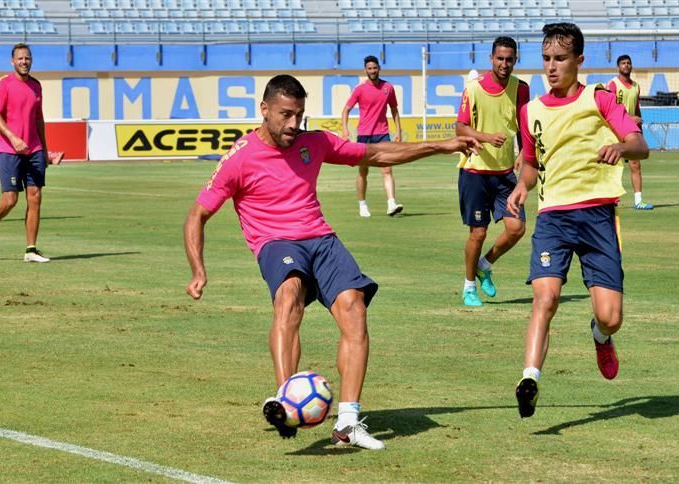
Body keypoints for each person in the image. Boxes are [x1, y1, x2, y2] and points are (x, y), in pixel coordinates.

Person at [183, 75, 479, 449]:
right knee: (289, 294)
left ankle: (348, 423)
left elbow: (377, 154)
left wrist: (444, 145)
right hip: (276, 242)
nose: (294, 124)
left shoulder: (315, 143)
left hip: (320, 238)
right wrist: (198, 269)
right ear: (264, 110)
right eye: (285, 115)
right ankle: (286, 401)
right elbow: (196, 215)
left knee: (354, 307)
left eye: (300, 115)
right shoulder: (239, 157)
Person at [506, 23, 649, 418]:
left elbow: (641, 145)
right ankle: (529, 378)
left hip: (598, 217)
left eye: (561, 59)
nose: (551, 67)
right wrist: (522, 187)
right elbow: (532, 164)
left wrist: (620, 146)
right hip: (553, 218)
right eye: (547, 59)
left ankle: (600, 335)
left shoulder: (599, 100)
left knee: (611, 316)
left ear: (579, 61)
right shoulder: (530, 110)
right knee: (545, 298)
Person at [455, 36, 530, 307]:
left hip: (505, 174)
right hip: (475, 172)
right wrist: (486, 137)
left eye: (510, 59)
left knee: (517, 228)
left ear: (515, 60)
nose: (504, 64)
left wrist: (524, 151)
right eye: (500, 58)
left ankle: (485, 264)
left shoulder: (521, 89)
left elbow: (524, 127)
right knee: (478, 233)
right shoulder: (473, 89)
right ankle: (468, 287)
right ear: (491, 59)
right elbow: (460, 128)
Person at [0, 43, 50, 263]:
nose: (24, 62)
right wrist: (13, 137)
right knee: (10, 200)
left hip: (34, 149)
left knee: (35, 197)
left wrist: (45, 149)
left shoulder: (37, 86)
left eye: (27, 58)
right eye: (20, 58)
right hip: (10, 149)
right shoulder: (5, 84)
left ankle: (30, 249)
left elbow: (39, 118)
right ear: (12, 61)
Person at [342, 55, 404, 217]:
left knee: (387, 169)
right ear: (365, 70)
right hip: (364, 135)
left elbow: (394, 110)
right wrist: (345, 130)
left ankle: (391, 203)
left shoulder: (388, 88)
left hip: (382, 134)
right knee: (363, 172)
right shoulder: (359, 89)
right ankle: (362, 204)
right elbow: (346, 110)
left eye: (374, 68)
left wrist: (399, 130)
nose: (372, 71)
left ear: (379, 68)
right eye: (369, 68)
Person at [608, 54, 654, 210]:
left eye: (628, 63)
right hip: (615, 128)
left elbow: (636, 108)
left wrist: (639, 128)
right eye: (623, 63)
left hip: (631, 130)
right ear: (618, 67)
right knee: (611, 164)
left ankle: (638, 200)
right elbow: (610, 108)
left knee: (635, 164)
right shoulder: (613, 84)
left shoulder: (636, 86)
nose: (626, 65)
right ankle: (610, 198)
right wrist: (629, 117)